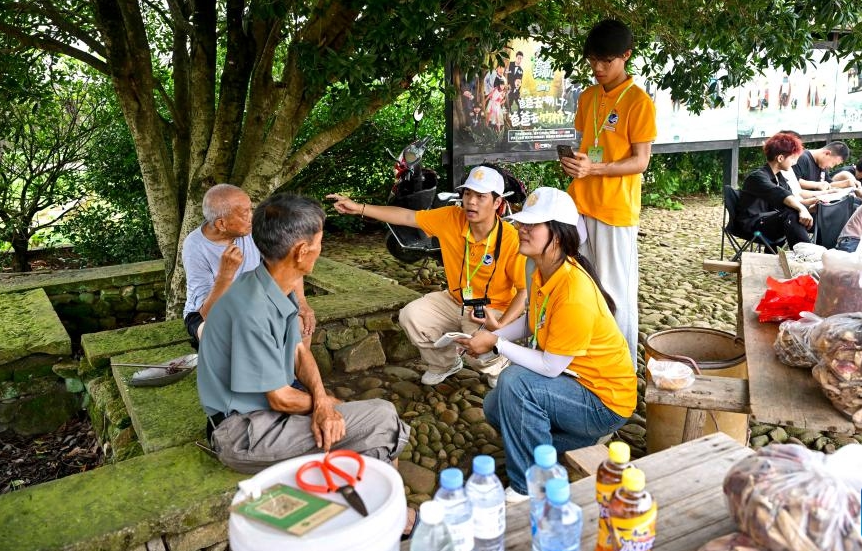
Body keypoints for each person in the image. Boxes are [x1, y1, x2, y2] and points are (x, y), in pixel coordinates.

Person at [197, 193, 410, 474]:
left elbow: (299, 352)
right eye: (319, 243)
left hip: (263, 415)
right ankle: (403, 517)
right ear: (300, 251)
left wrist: (322, 400)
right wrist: (334, 404)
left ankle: (383, 508)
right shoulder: (252, 309)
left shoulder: (272, 285)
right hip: (242, 433)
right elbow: (281, 398)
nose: (320, 250)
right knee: (383, 417)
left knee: (367, 438)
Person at [455, 187, 636, 502]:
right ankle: (573, 446)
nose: (521, 230)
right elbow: (533, 319)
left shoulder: (573, 291)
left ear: (559, 234)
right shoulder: (545, 270)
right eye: (522, 223)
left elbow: (551, 366)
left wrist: (496, 342)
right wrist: (490, 335)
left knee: (514, 383)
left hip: (604, 402)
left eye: (532, 225)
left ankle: (530, 485)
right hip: (577, 385)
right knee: (495, 405)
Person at [327, 166, 526, 387]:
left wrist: (501, 325)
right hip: (454, 299)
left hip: (491, 309)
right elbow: (407, 216)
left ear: (497, 203)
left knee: (477, 352)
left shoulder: (511, 239)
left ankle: (498, 365)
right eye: (468, 194)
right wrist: (359, 208)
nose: (471, 202)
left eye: (481, 197)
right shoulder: (451, 217)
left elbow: (524, 291)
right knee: (412, 316)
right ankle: (445, 364)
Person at [560, 18, 656, 369]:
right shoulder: (588, 96)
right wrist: (577, 165)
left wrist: (595, 169)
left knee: (616, 294)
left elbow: (641, 161)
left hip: (615, 211)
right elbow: (592, 144)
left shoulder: (639, 102)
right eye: (593, 61)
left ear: (626, 56)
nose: (598, 68)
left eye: (607, 61)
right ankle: (588, 363)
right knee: (581, 286)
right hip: (579, 204)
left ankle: (622, 373)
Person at [182, 184, 315, 346]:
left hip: (254, 301)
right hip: (209, 312)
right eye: (245, 214)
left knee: (302, 326)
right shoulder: (194, 247)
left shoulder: (253, 230)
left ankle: (290, 371)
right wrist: (225, 275)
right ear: (221, 224)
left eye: (251, 209)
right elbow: (206, 313)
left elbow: (288, 263)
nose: (252, 217)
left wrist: (301, 302)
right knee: (219, 338)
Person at [734, 132, 814, 248]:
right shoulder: (757, 177)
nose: (795, 163)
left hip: (771, 220)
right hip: (753, 224)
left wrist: (814, 203)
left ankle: (826, 251)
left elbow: (793, 200)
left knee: (818, 211)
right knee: (791, 213)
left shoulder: (779, 177)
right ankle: (806, 254)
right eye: (792, 159)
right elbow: (782, 195)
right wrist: (802, 209)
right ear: (780, 158)